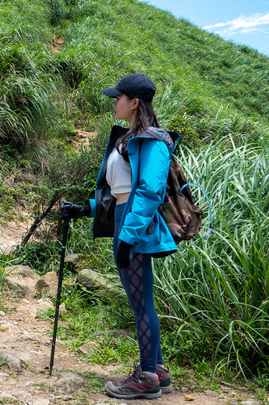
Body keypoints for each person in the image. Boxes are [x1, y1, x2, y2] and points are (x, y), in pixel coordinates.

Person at [61, 73, 179, 400]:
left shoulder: (152, 141)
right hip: (123, 221)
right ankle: (157, 370)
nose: (115, 102)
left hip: (134, 227)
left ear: (135, 102)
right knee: (139, 302)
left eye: (119, 97)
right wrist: (85, 208)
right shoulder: (127, 138)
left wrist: (128, 237)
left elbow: (149, 191)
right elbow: (118, 191)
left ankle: (147, 378)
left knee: (142, 305)